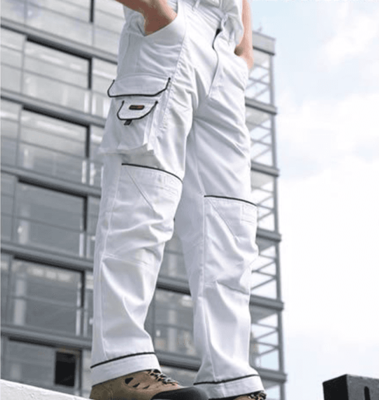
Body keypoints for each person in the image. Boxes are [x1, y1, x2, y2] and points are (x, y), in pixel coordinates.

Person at [89, 0, 267, 398]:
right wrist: (156, 11)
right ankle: (120, 367)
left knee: (230, 229)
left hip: (226, 49)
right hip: (171, 24)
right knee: (143, 201)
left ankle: (229, 379)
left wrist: (243, 49)